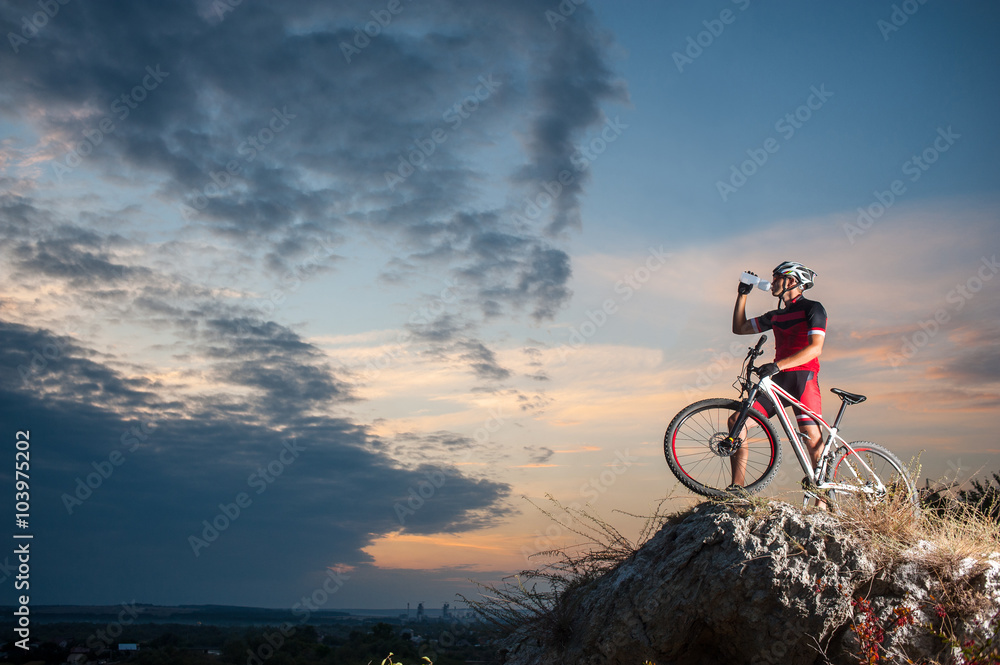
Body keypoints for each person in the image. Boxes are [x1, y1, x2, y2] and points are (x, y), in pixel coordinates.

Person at [728, 261, 827, 492]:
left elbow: (815, 348)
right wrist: (742, 295)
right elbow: (739, 328)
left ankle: (822, 500)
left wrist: (777, 365)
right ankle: (737, 489)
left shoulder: (813, 308)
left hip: (803, 379)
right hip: (780, 380)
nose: (771, 282)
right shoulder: (776, 315)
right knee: (737, 422)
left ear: (791, 281)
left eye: (776, 278)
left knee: (812, 439)